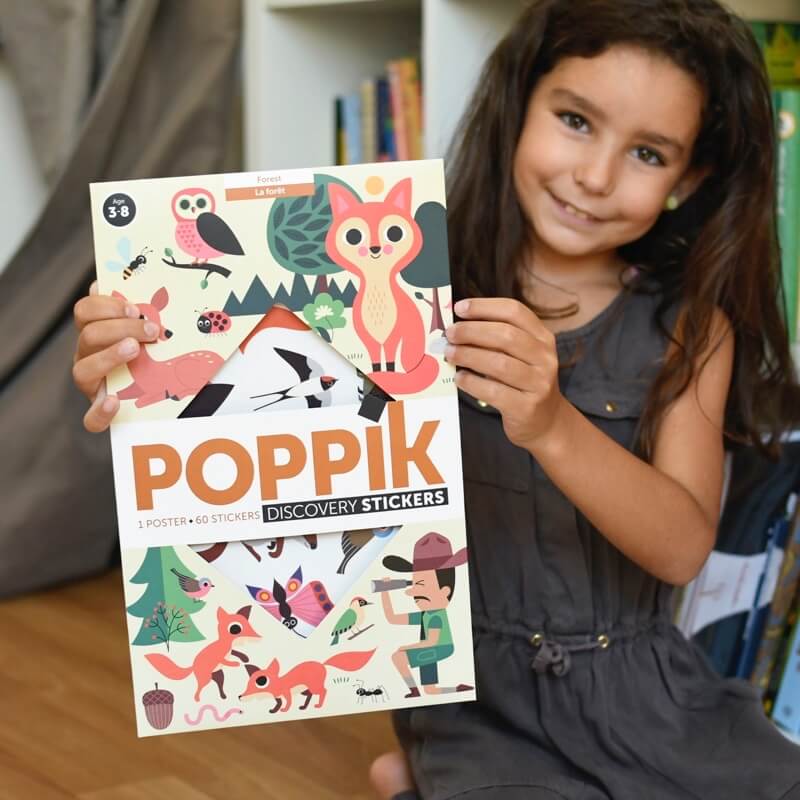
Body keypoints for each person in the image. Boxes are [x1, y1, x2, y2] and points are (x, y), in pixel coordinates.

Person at [71, 0, 800, 797]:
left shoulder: (691, 326)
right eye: (575, 121)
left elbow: (682, 547)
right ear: (519, 102)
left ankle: (409, 785)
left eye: (648, 153)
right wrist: (141, 374)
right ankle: (419, 774)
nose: (595, 176)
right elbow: (273, 450)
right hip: (478, 705)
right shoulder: (395, 290)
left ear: (689, 179)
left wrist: (554, 426)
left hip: (648, 696)